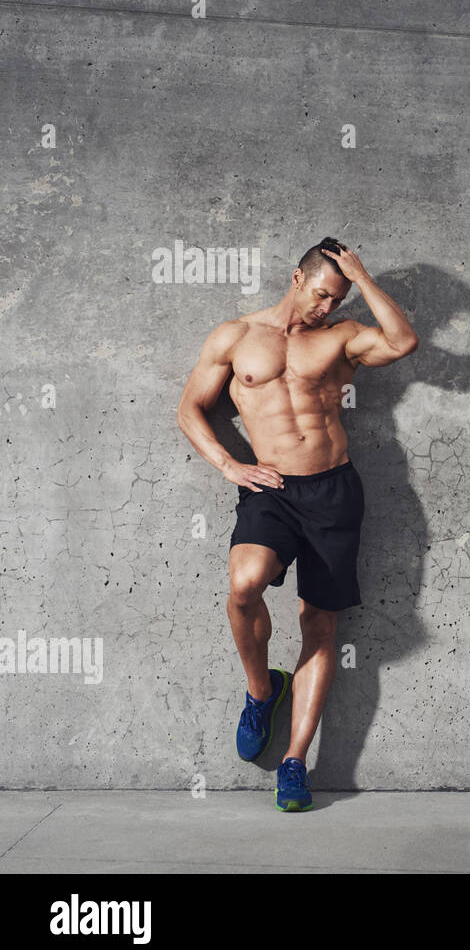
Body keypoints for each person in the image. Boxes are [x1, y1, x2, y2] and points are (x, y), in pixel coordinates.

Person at [176, 237, 418, 811]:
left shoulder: (340, 338)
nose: (325, 307)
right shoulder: (235, 337)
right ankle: (263, 691)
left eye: (337, 298)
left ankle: (294, 761)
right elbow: (190, 408)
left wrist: (359, 273)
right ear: (296, 278)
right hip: (272, 489)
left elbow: (404, 341)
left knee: (320, 625)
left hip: (334, 490)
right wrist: (231, 465)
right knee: (244, 584)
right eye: (321, 294)